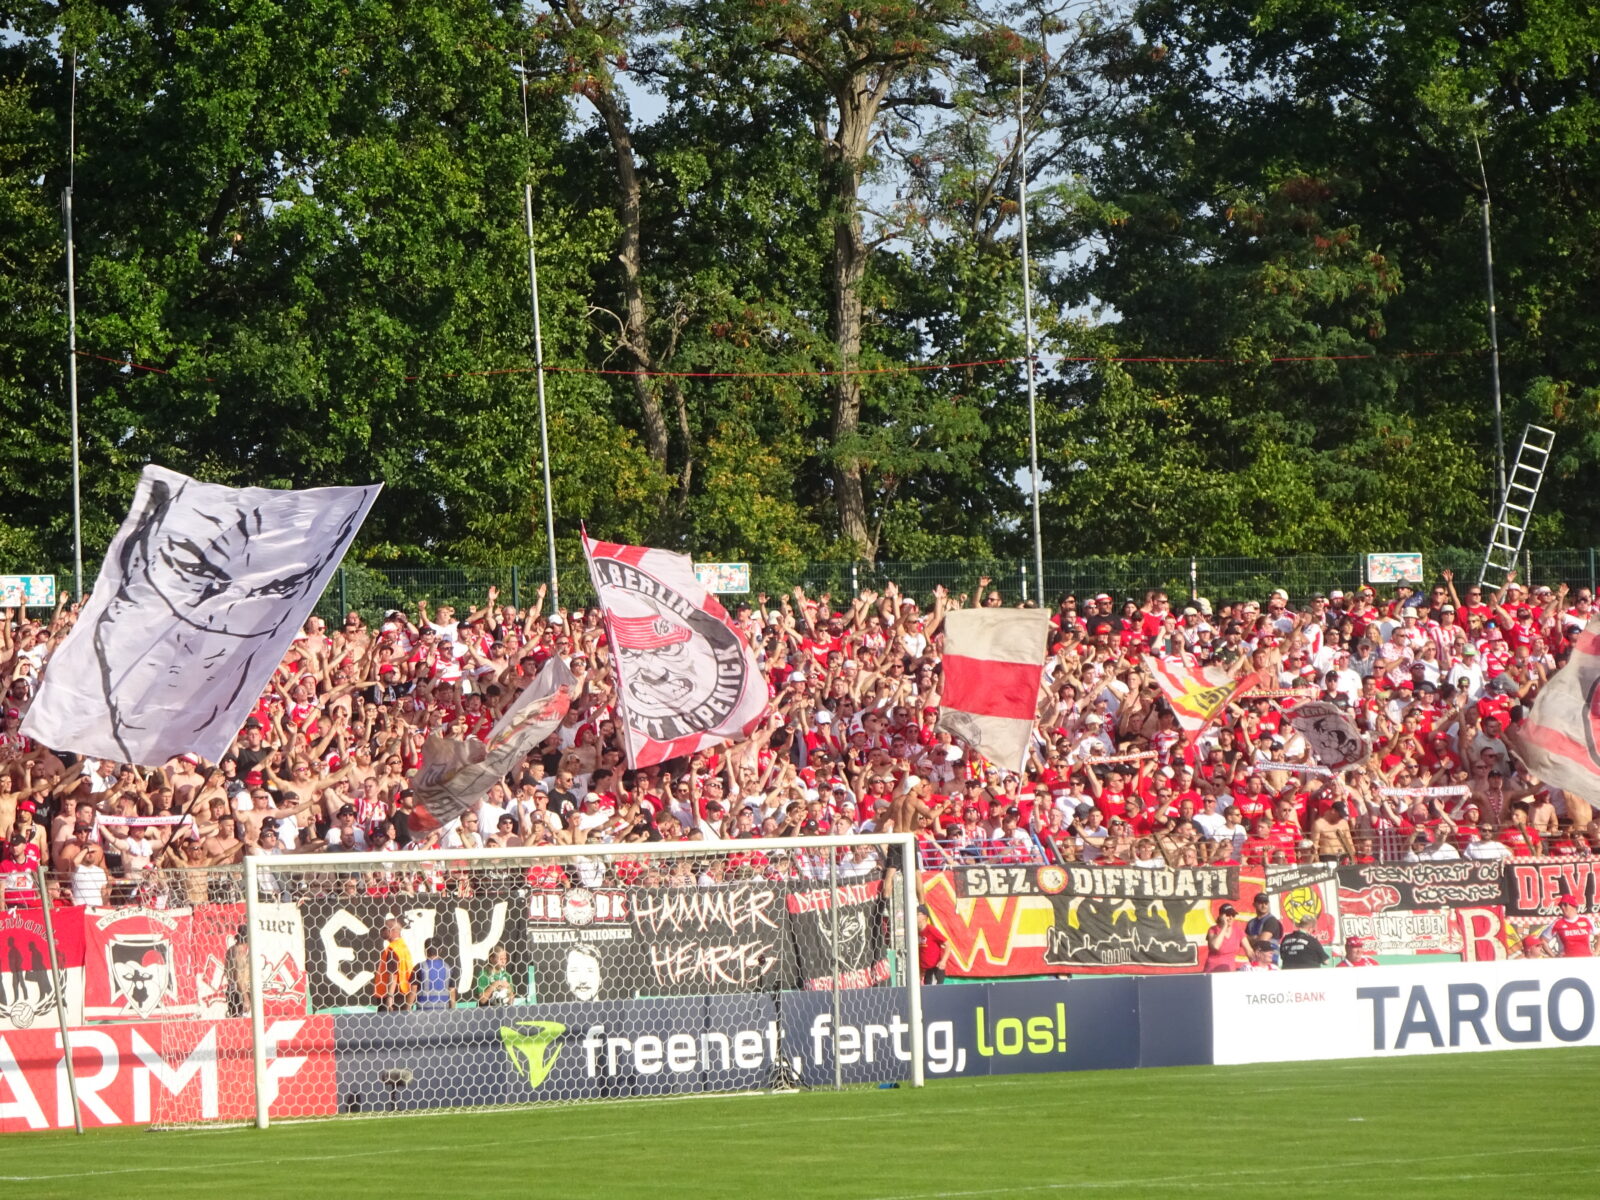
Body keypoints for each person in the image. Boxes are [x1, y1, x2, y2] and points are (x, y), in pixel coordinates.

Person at [374, 917, 414, 1011]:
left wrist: (389, 998)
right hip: (404, 994)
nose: (382, 931)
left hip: (392, 996)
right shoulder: (403, 947)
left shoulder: (393, 949)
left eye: (384, 928)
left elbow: (393, 975)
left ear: (391, 930)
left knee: (386, 1024)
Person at [1204, 903, 1255, 972]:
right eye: (1228, 915)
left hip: (1229, 971)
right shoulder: (1213, 930)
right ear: (1221, 916)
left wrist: (1255, 966)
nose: (1231, 917)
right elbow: (1215, 946)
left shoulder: (1238, 931)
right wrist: (1224, 926)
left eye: (1233, 915)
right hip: (1213, 971)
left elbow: (1249, 951)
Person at [412, 938, 455, 1010]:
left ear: (425, 950)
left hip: (423, 1013)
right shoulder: (448, 967)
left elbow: (412, 992)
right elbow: (452, 992)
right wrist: (453, 1010)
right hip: (443, 1012)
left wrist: (406, 1009)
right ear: (440, 950)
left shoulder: (419, 967)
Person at [1245, 892, 1283, 965]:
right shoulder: (1251, 923)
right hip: (1255, 960)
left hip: (1271, 961)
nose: (1264, 906)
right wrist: (1256, 938)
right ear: (1254, 905)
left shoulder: (1272, 920)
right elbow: (1244, 942)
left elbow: (1263, 941)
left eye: (1266, 903)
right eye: (1260, 903)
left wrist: (1251, 938)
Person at [918, 907, 949, 985]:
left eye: (917, 914)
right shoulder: (916, 931)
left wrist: (943, 961)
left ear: (925, 917)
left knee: (936, 993)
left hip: (935, 969)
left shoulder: (931, 930)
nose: (915, 916)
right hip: (925, 971)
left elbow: (948, 944)